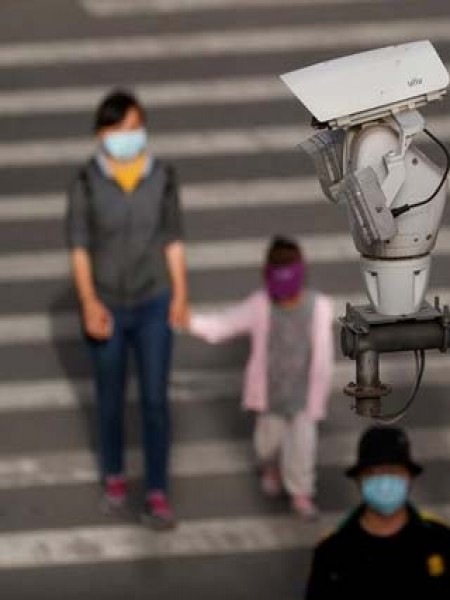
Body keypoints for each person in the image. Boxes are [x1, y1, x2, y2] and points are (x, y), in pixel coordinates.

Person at [65, 89, 189, 530]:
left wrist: (181, 293)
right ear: (101, 134)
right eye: (119, 129)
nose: (128, 137)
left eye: (135, 127)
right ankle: (114, 475)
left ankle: (157, 491)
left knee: (156, 400)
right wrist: (88, 302)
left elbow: (172, 238)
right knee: (111, 398)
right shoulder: (86, 182)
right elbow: (80, 247)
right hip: (107, 305)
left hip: (154, 299)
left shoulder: (162, 176)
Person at [189, 236, 334, 520]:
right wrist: (188, 321)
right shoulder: (260, 305)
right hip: (269, 395)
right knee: (267, 444)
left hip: (303, 396)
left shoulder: (319, 307)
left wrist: (319, 398)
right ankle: (270, 467)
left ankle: (301, 492)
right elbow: (223, 325)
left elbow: (323, 357)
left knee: (302, 447)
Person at [305, 426, 450, 599]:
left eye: (393, 472)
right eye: (373, 473)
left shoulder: (440, 539)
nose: (384, 483)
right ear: (359, 481)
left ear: (409, 478)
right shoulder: (332, 551)